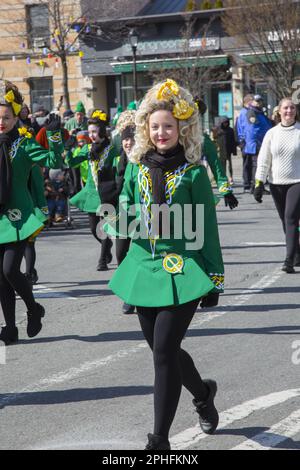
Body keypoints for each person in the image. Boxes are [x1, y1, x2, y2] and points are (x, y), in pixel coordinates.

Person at [107, 79, 224, 450]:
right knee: (166, 351)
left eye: (168, 127)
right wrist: (115, 217)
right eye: (155, 126)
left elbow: (205, 226)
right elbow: (123, 208)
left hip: (183, 268)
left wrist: (214, 279)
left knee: (162, 353)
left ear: (182, 130)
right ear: (146, 128)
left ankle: (159, 440)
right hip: (144, 268)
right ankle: (204, 393)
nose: (161, 133)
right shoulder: (136, 167)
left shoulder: (192, 173)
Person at [0, 80, 64, 345]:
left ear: (16, 118)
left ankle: (33, 309)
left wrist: (54, 135)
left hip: (18, 217)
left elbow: (54, 162)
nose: (1, 121)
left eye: (6, 117)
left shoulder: (23, 145)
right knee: (0, 278)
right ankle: (10, 327)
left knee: (10, 270)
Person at [65, 110, 116, 271]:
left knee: (103, 227)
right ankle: (106, 245)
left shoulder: (113, 149)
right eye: (90, 132)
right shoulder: (87, 148)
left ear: (102, 130)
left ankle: (102, 260)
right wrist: (68, 148)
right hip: (92, 194)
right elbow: (72, 163)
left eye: (95, 131)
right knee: (94, 229)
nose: (92, 135)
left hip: (108, 193)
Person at [254, 97, 300, 273]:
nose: (289, 111)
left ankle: (288, 260)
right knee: (285, 220)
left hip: (297, 181)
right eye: (286, 108)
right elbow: (264, 160)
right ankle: (296, 253)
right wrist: (259, 182)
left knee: (290, 217)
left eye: (292, 108)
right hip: (276, 183)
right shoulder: (272, 133)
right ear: (279, 111)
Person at [98, 110, 136, 314]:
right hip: (121, 214)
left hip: (143, 215)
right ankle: (130, 292)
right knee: (121, 255)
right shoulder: (118, 153)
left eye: (131, 138)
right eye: (124, 138)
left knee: (142, 256)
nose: (127, 142)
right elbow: (103, 161)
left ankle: (135, 296)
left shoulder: (146, 160)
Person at [194, 97, 238, 210]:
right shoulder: (167, 136)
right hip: (167, 194)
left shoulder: (202, 139)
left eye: (197, 116)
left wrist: (226, 191)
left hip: (196, 192)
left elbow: (216, 165)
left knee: (199, 226)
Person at [237, 95, 272, 192]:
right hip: (256, 144)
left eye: (260, 101)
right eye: (256, 101)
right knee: (256, 165)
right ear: (252, 102)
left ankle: (256, 186)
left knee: (257, 165)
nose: (259, 103)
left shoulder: (258, 112)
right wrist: (259, 142)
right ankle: (255, 187)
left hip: (259, 142)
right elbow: (253, 130)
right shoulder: (252, 113)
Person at [24, 164, 49, 285]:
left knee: (29, 243)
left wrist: (44, 211)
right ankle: (31, 272)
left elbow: (38, 188)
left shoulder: (32, 163)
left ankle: (29, 275)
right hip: (10, 210)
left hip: (30, 208)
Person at [215, 116, 237, 184]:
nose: (226, 124)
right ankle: (224, 178)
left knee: (230, 165)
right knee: (222, 165)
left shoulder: (230, 130)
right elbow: (214, 139)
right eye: (224, 123)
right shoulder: (218, 130)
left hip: (228, 150)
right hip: (221, 150)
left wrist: (234, 151)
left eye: (226, 122)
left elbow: (233, 141)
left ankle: (231, 177)